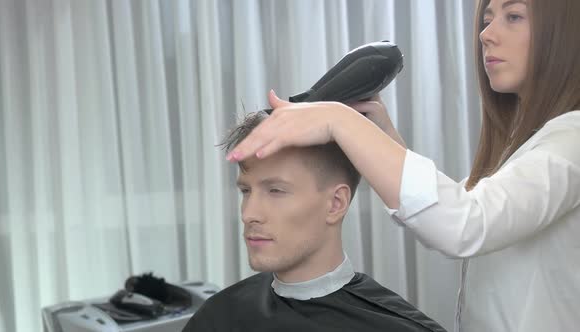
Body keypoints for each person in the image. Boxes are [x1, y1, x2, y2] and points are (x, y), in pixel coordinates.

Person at [225, 0, 580, 331]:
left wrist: (340, 122)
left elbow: (465, 224)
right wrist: (383, 136)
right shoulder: (535, 141)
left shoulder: (572, 142)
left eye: (513, 16)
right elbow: (455, 210)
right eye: (486, 20)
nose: (485, 34)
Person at [183, 111, 446, 332]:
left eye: (275, 190)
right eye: (246, 191)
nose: (248, 213)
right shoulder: (217, 319)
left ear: (336, 204)